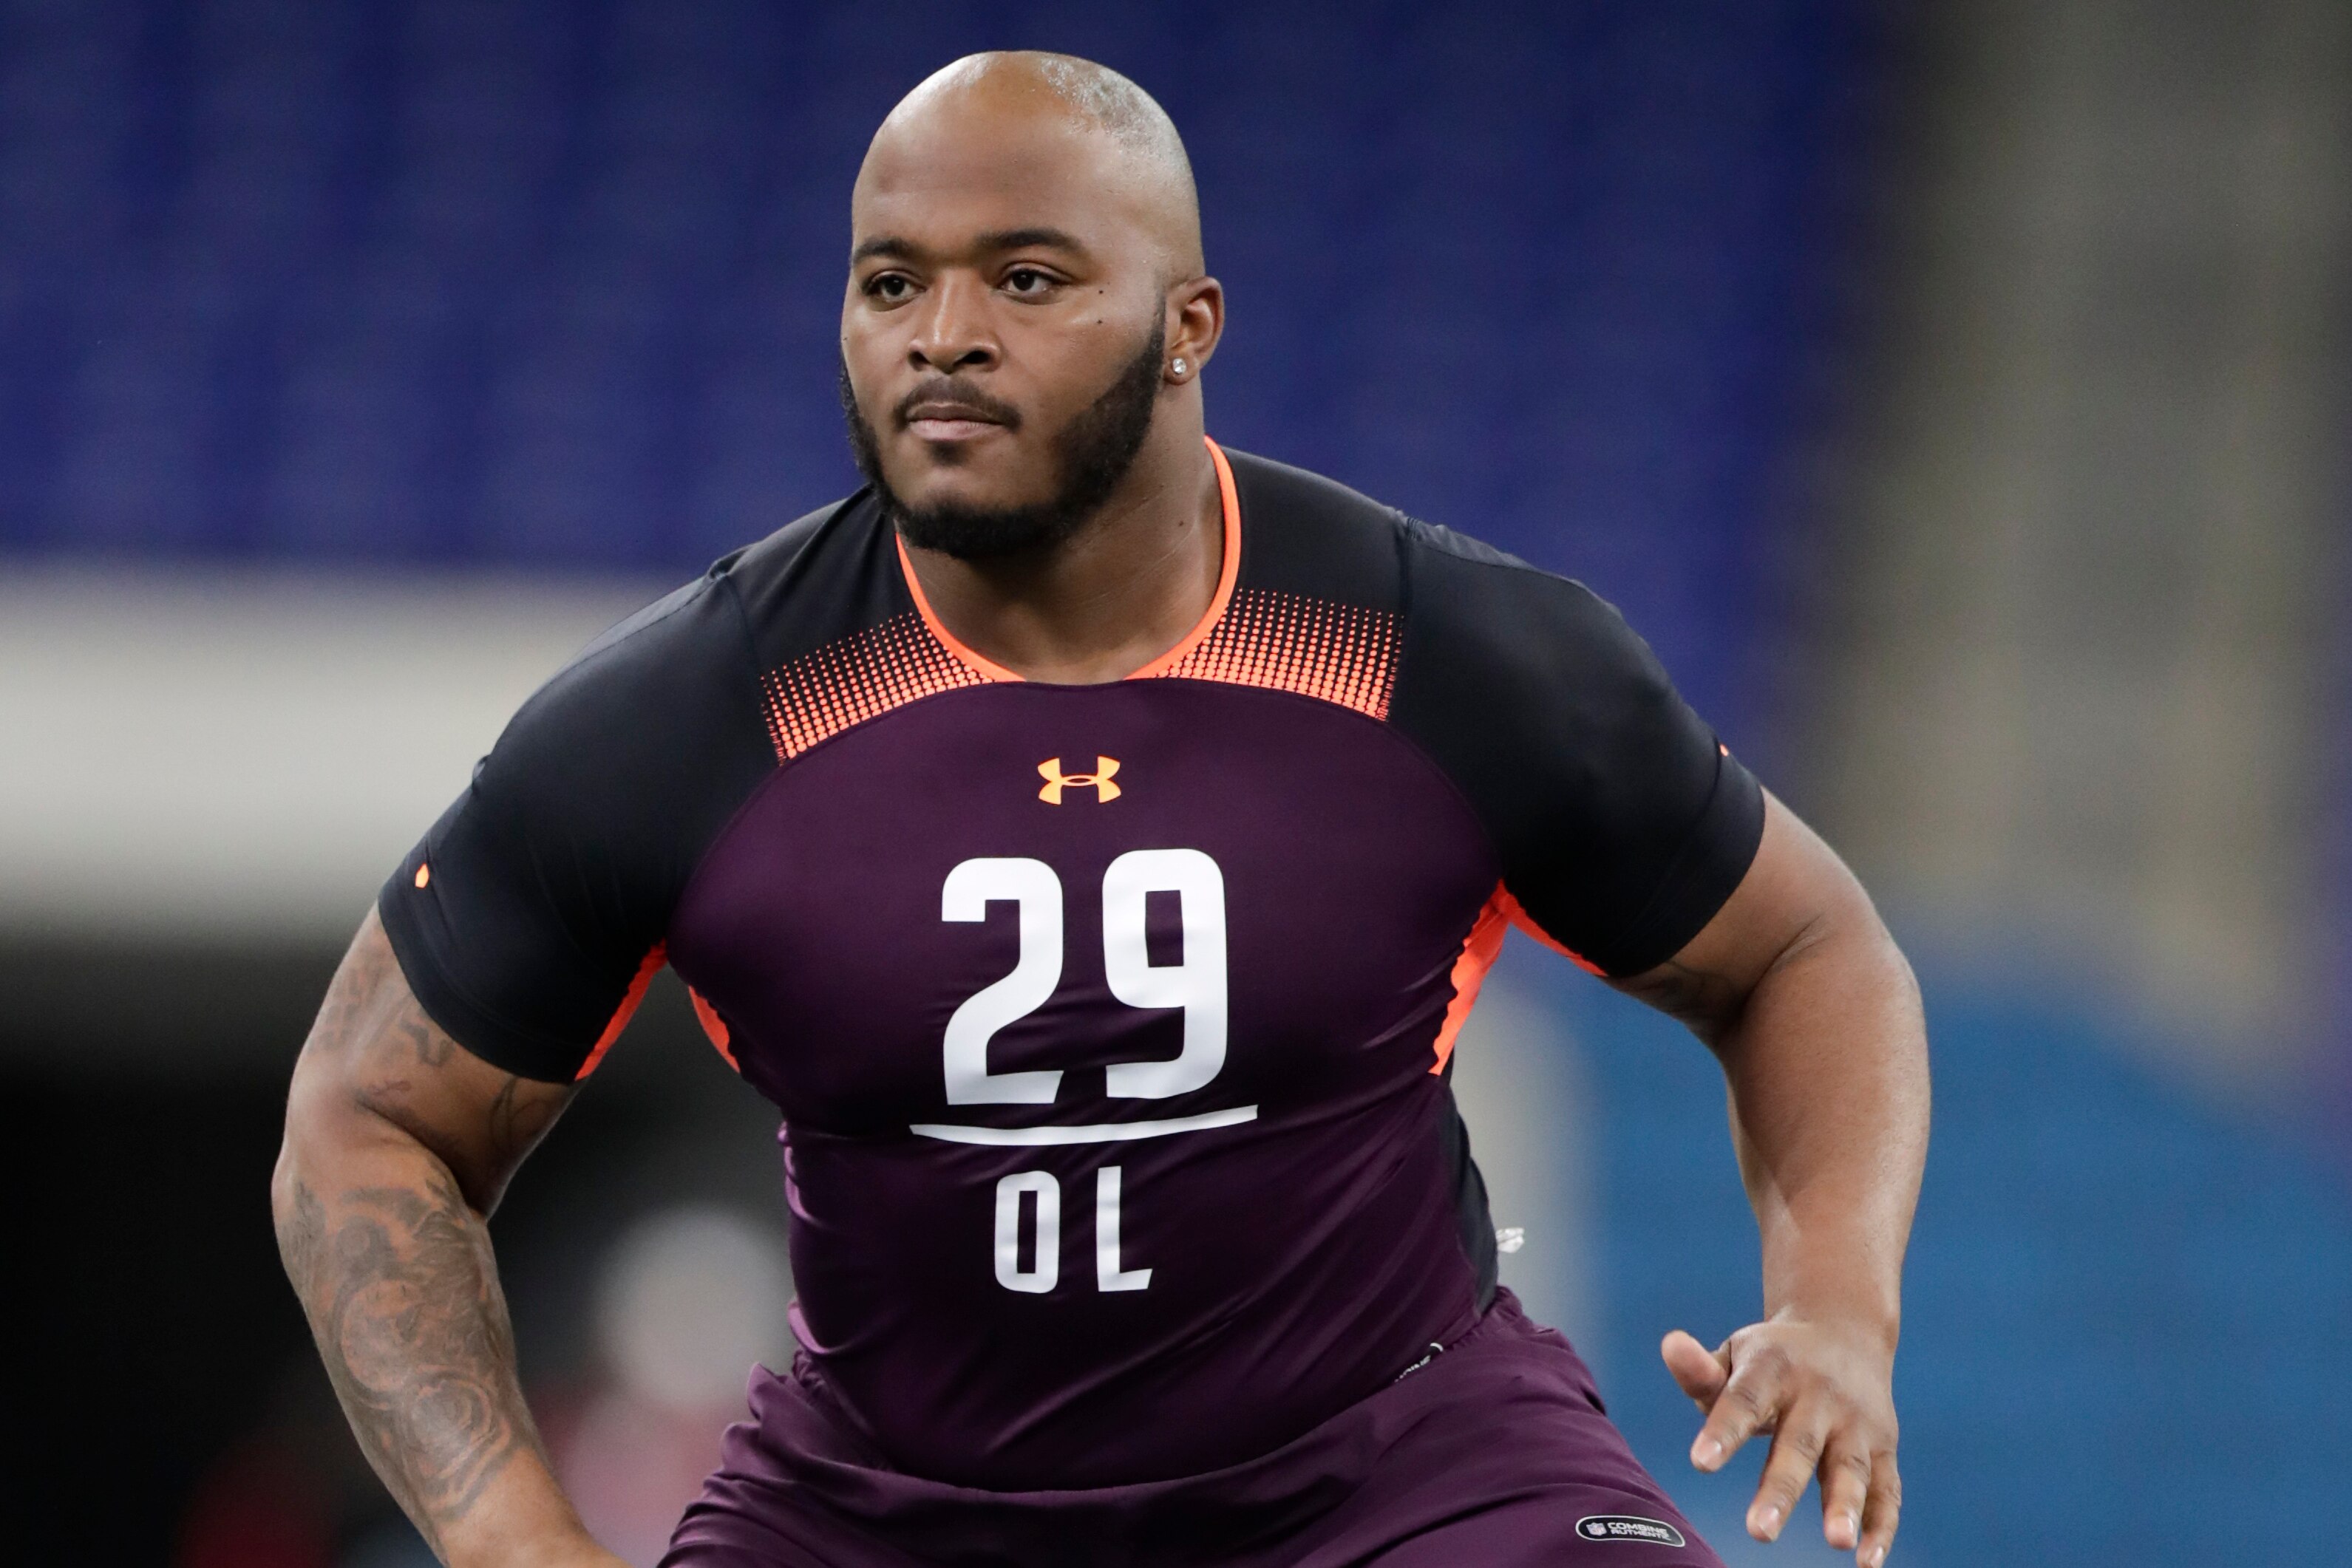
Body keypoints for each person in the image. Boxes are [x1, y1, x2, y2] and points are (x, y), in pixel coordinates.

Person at [273, 51, 1928, 1568]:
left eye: (1028, 277)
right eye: (890, 281)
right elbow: (366, 1119)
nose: (943, 333)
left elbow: (1799, 946)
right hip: (890, 1506)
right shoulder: (690, 715)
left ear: (1190, 321)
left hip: (1393, 1470)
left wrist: (1837, 1307)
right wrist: (509, 1540)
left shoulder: (1445, 652)